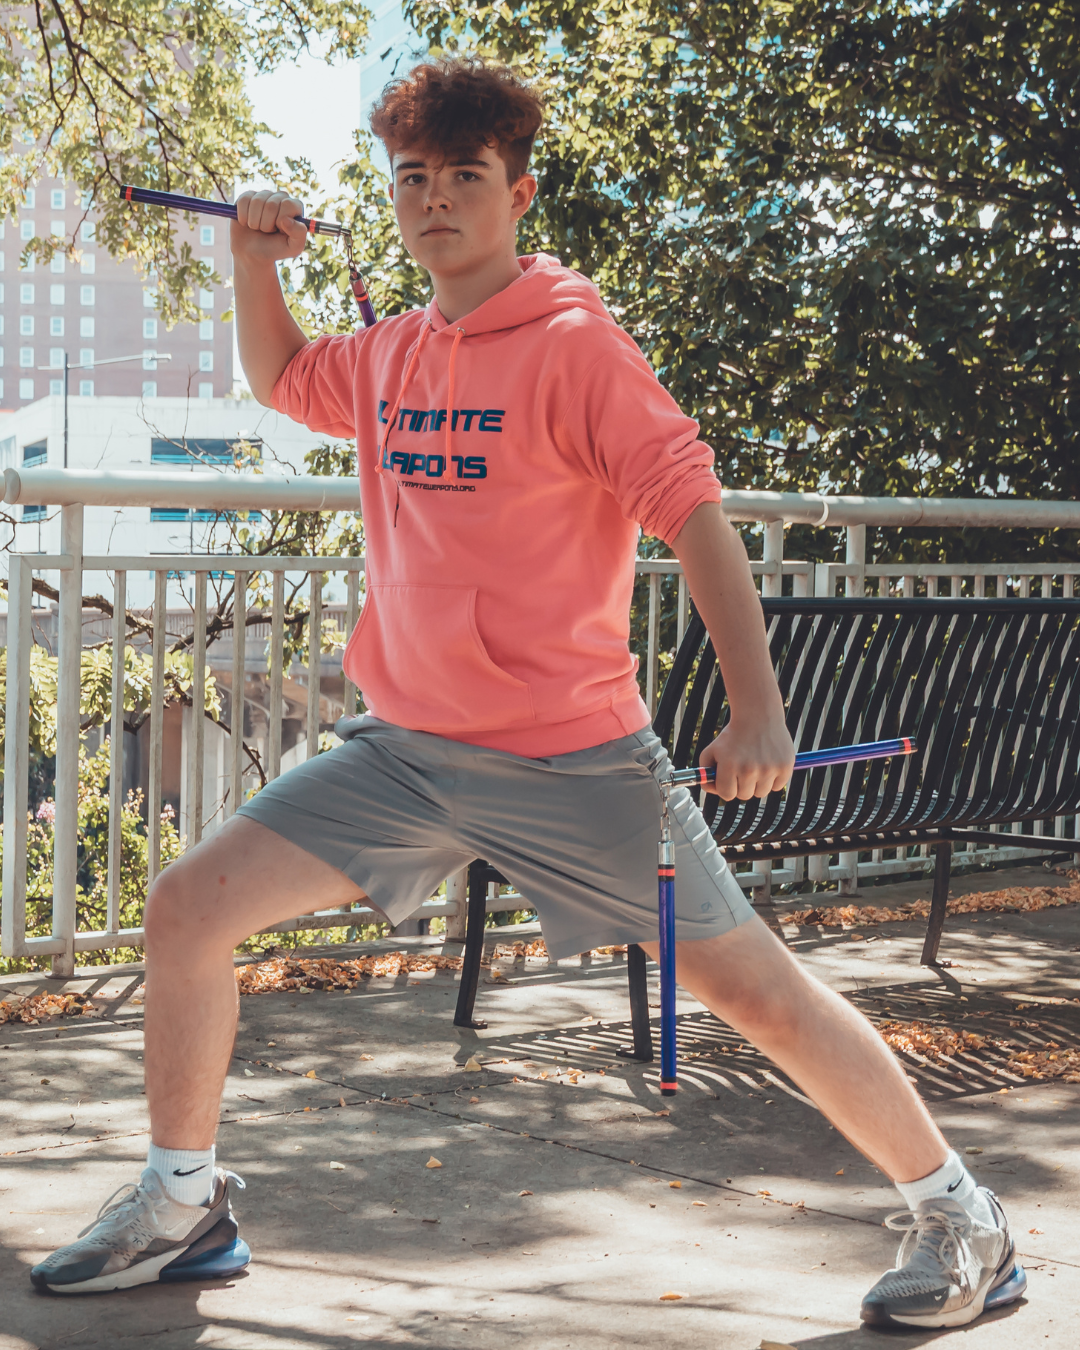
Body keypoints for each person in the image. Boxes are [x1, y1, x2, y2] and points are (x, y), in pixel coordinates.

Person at [32, 58, 1025, 1330]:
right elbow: (285, 380)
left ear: (517, 193)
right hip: (403, 752)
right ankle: (183, 1208)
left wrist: (758, 707)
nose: (433, 199)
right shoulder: (395, 352)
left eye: (463, 176)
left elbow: (697, 518)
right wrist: (254, 253)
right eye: (412, 178)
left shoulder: (576, 351)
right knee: (185, 910)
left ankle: (965, 1220)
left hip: (574, 762)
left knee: (753, 991)